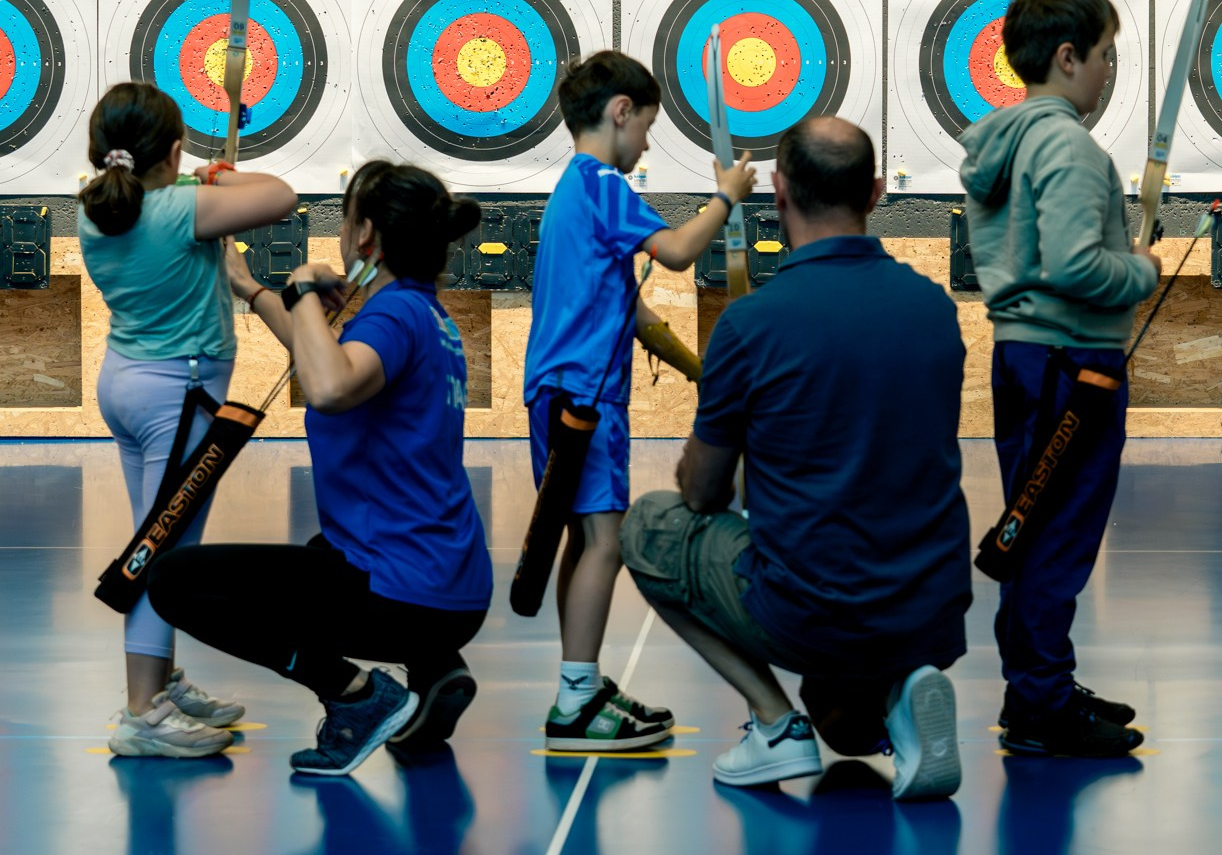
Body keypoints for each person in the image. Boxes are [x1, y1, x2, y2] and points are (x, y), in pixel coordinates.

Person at [621, 116, 972, 799]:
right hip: (930, 607)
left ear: (777, 193)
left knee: (649, 524)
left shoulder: (752, 323)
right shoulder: (933, 308)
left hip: (817, 609)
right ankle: (906, 687)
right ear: (875, 193)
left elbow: (701, 495)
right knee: (844, 728)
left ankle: (776, 724)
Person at [146, 160, 493, 776]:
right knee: (320, 548)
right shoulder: (426, 316)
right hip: (451, 586)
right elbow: (323, 358)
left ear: (365, 236)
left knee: (175, 582)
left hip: (403, 593)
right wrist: (254, 289)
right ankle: (437, 666)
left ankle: (355, 696)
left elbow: (328, 386)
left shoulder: (392, 318)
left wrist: (304, 287)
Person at [522, 51, 756, 751]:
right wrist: (727, 195)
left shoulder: (572, 191)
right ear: (619, 112)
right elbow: (680, 251)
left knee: (583, 537)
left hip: (558, 389)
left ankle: (580, 686)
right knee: (606, 541)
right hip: (587, 398)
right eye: (647, 126)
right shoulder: (601, 183)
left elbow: (636, 312)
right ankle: (573, 703)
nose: (647, 143)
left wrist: (696, 368)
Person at [958, 0, 1160, 758]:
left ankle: (1035, 683)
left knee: (1030, 526)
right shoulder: (1068, 144)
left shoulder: (1009, 138)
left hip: (1030, 356)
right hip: (1072, 361)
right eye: (1105, 54)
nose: (1111, 69)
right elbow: (1078, 266)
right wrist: (1139, 266)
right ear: (1069, 57)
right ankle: (1040, 701)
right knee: (1055, 536)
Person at [78, 82, 298, 759]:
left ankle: (161, 681)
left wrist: (195, 179)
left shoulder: (96, 210)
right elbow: (281, 194)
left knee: (156, 533)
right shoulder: (178, 208)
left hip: (129, 385)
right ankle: (143, 713)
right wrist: (218, 173)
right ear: (172, 151)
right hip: (180, 395)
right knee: (159, 551)